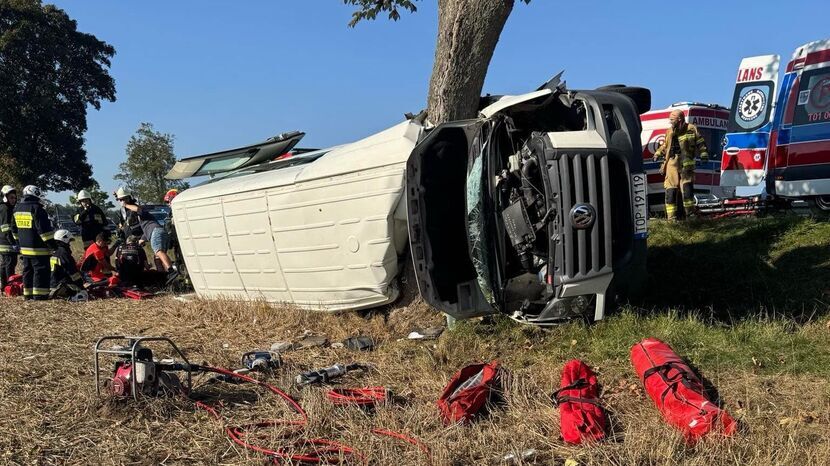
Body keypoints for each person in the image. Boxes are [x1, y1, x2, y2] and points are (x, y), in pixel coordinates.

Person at [652, 110, 709, 221]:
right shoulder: (669, 131)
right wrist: (657, 153)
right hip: (671, 163)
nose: (670, 122)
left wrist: (704, 154)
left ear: (679, 119)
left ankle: (690, 216)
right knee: (670, 191)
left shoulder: (691, 128)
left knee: (687, 190)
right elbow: (665, 145)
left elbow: (701, 142)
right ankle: (671, 219)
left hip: (686, 165)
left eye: (672, 120)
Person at [115, 187, 179, 283]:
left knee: (158, 252)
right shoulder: (140, 220)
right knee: (157, 259)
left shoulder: (138, 209)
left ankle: (171, 271)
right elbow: (143, 230)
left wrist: (126, 204)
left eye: (125, 198)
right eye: (121, 199)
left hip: (156, 231)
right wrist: (142, 239)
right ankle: (164, 277)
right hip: (158, 232)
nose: (123, 201)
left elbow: (138, 209)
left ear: (129, 198)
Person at [12, 185, 55, 300]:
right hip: (39, 249)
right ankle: (39, 295)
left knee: (27, 271)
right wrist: (53, 246)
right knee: (40, 270)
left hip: (24, 249)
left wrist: (18, 242)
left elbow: (14, 229)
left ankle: (27, 294)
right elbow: (44, 231)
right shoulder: (37, 209)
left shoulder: (16, 209)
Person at [50, 229, 84, 298]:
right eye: (69, 241)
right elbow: (72, 271)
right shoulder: (64, 254)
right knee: (82, 293)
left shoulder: (55, 251)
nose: (69, 244)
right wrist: (81, 284)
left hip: (52, 284)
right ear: (65, 240)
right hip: (61, 285)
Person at [0, 185, 19, 294]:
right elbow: (5, 228)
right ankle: (9, 287)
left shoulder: (6, 208)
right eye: (11, 197)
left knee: (5, 265)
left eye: (15, 198)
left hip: (4, 242)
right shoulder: (5, 209)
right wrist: (13, 243)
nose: (14, 200)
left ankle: (4, 287)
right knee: (9, 264)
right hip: (7, 243)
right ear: (5, 197)